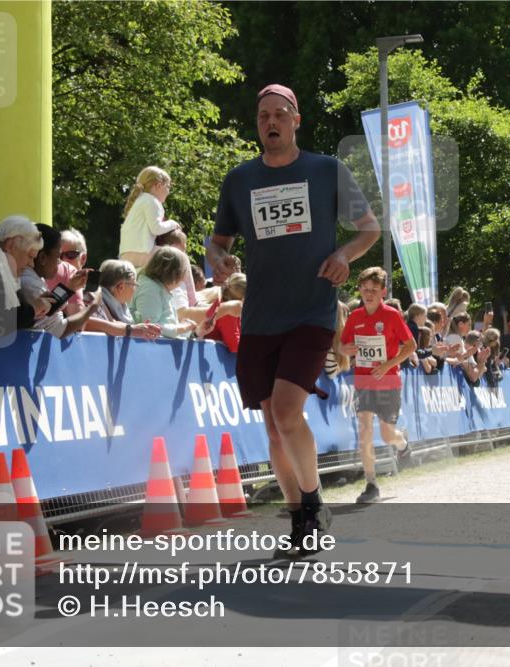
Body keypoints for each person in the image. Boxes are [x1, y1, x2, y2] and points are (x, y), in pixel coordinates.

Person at [206, 84, 380, 555]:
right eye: (263, 115)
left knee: (286, 411)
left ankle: (311, 501)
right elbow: (217, 242)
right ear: (257, 123)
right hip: (262, 314)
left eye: (280, 113)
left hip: (312, 309)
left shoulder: (327, 170)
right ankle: (303, 516)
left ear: (296, 120)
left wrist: (344, 254)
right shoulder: (239, 179)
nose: (271, 122)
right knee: (271, 425)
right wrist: (217, 259)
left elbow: (369, 229)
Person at [340, 267, 416, 504]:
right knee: (364, 432)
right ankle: (371, 484)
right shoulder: (354, 317)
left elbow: (411, 345)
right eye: (364, 289)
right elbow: (342, 346)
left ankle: (401, 443)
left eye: (373, 290)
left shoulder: (392, 315)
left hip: (389, 380)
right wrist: (346, 350)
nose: (369, 294)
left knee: (385, 434)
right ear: (360, 290)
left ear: (383, 291)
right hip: (363, 381)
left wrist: (388, 364)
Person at [20, 224, 99, 338]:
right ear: (43, 258)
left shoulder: (33, 277)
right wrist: (92, 307)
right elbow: (60, 330)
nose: (60, 263)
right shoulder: (30, 283)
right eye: (58, 257)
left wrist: (69, 288)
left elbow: (49, 308)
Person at [0, 216, 48, 340]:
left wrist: (33, 307)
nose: (31, 264)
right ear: (11, 245)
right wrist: (34, 309)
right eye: (30, 256)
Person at [130, 246, 206, 339]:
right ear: (174, 273)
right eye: (183, 272)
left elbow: (168, 329)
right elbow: (149, 327)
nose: (184, 278)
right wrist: (182, 327)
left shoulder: (161, 288)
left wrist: (196, 332)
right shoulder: (149, 288)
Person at [118, 166, 181, 268]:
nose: (169, 191)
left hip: (125, 255)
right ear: (158, 185)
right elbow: (156, 228)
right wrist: (172, 223)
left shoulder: (139, 201)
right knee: (179, 259)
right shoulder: (152, 201)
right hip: (142, 252)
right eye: (168, 187)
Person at [83, 259, 161, 339]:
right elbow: (84, 323)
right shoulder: (92, 298)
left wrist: (138, 328)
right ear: (121, 287)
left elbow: (112, 323)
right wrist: (130, 330)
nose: (135, 289)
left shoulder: (101, 300)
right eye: (134, 284)